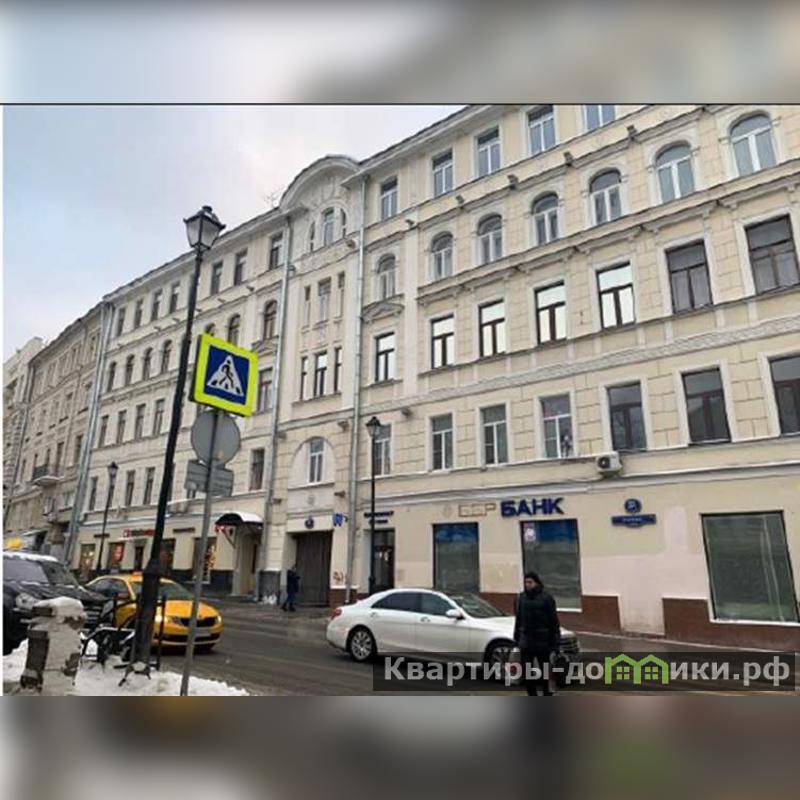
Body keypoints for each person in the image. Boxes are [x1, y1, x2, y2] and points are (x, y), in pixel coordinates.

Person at [513, 571, 561, 696]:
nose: (527, 585)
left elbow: (554, 622)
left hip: (542, 640)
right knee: (527, 671)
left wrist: (555, 643)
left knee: (544, 670)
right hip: (526, 640)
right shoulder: (521, 598)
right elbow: (518, 620)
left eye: (530, 582)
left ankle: (546, 693)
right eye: (526, 582)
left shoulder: (546, 598)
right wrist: (516, 638)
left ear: (536, 583)